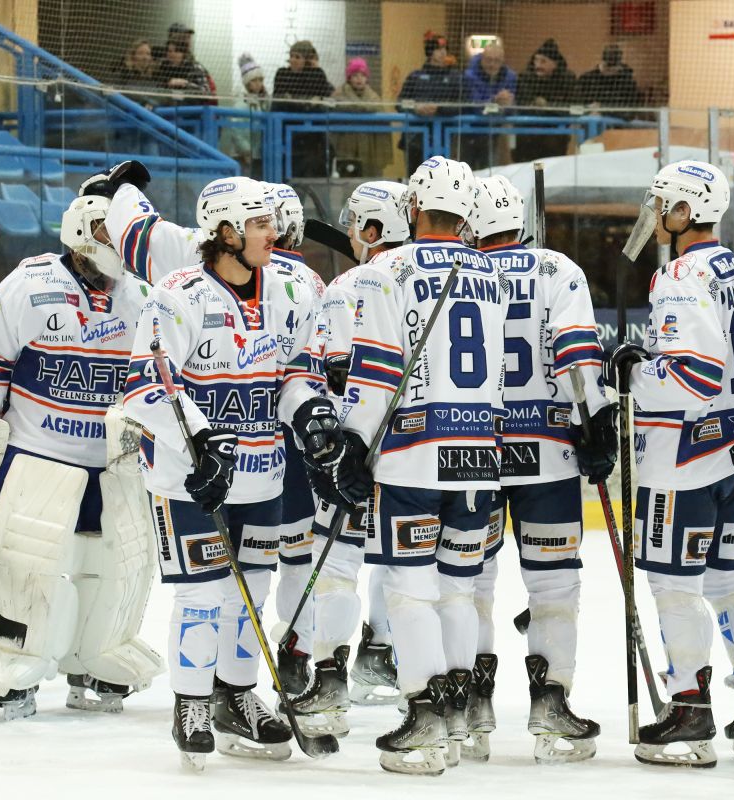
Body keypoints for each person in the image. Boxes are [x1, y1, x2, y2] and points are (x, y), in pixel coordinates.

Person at [122, 175, 344, 768]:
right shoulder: (179, 295)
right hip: (188, 478)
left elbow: (295, 372)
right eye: (260, 224)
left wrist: (315, 419)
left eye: (271, 221)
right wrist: (200, 440)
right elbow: (145, 387)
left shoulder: (292, 289)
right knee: (203, 594)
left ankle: (235, 697)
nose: (274, 233)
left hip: (264, 473)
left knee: (250, 594)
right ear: (224, 232)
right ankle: (191, 703)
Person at [0, 183, 163, 721]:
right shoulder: (31, 284)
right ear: (80, 231)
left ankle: (101, 656)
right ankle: (15, 661)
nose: (116, 244)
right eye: (106, 232)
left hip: (113, 465)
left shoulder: (142, 295)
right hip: (37, 457)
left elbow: (158, 380)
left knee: (119, 564)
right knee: (28, 565)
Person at [326, 156, 505, 776]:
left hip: (412, 453)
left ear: (412, 208)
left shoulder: (389, 268)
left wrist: (353, 441)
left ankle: (424, 717)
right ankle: (456, 719)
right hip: (481, 454)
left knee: (407, 589)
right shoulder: (492, 271)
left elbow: (375, 372)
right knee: (459, 588)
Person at [603, 160, 734, 767]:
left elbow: (692, 373)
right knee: (728, 576)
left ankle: (690, 713)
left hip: (686, 455)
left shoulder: (679, 276)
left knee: (673, 585)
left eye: (661, 205)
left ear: (684, 213)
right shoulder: (731, 265)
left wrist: (634, 370)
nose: (653, 216)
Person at [467, 175, 612, 764]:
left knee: (468, 583)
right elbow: (577, 357)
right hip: (546, 450)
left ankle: (469, 704)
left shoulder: (456, 270)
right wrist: (596, 423)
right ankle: (549, 702)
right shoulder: (556, 269)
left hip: (469, 451)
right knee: (554, 584)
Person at [291, 180, 410, 736]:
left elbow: (332, 373)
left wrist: (331, 443)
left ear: (371, 230)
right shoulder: (435, 277)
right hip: (424, 452)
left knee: (337, 565)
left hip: (353, 451)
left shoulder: (347, 286)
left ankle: (331, 675)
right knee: (407, 565)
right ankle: (393, 663)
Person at [261, 182, 329, 697]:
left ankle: (224, 659)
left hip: (241, 429)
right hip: (299, 432)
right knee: (299, 553)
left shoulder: (221, 278)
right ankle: (296, 648)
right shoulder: (310, 280)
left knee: (247, 554)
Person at [397, 32, 465, 174]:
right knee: (416, 180)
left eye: (445, 49)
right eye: (438, 49)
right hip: (416, 141)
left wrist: (439, 109)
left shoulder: (455, 77)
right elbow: (400, 103)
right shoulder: (415, 77)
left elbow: (463, 104)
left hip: (446, 139)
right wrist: (415, 108)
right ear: (429, 52)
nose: (443, 52)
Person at [272, 40, 334, 177]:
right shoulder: (283, 74)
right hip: (287, 140)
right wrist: (308, 104)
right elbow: (280, 103)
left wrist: (315, 70)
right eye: (291, 56)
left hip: (311, 141)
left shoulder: (316, 76)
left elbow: (326, 100)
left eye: (297, 57)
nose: (292, 60)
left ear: (307, 60)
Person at [514, 39, 577, 163]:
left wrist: (548, 106)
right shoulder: (524, 79)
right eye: (536, 60)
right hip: (527, 139)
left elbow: (572, 108)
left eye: (543, 61)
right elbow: (521, 106)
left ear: (555, 64)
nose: (538, 65)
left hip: (555, 140)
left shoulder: (567, 80)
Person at [460, 42, 517, 169]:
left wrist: (508, 104)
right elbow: (474, 106)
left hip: (493, 134)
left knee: (489, 174)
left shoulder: (510, 77)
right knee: (466, 172)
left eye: (497, 61)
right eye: (489, 60)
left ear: (502, 61)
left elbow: (513, 109)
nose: (492, 65)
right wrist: (495, 100)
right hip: (468, 132)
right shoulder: (469, 76)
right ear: (481, 59)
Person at [332, 58, 391, 177]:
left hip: (369, 147)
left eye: (362, 75)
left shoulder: (373, 97)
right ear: (349, 78)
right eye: (355, 75)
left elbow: (381, 114)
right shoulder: (339, 95)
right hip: (346, 146)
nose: (359, 79)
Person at [222, 53, 269, 176]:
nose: (258, 83)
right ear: (247, 82)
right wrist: (246, 151)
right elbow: (237, 130)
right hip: (242, 155)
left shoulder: (261, 103)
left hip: (256, 153)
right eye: (254, 80)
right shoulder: (241, 104)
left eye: (260, 80)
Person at [577, 44, 641, 111]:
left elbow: (629, 108)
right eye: (606, 68)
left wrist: (602, 108)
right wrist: (590, 109)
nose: (609, 72)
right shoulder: (587, 78)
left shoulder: (627, 82)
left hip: (615, 117)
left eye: (613, 69)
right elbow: (579, 101)